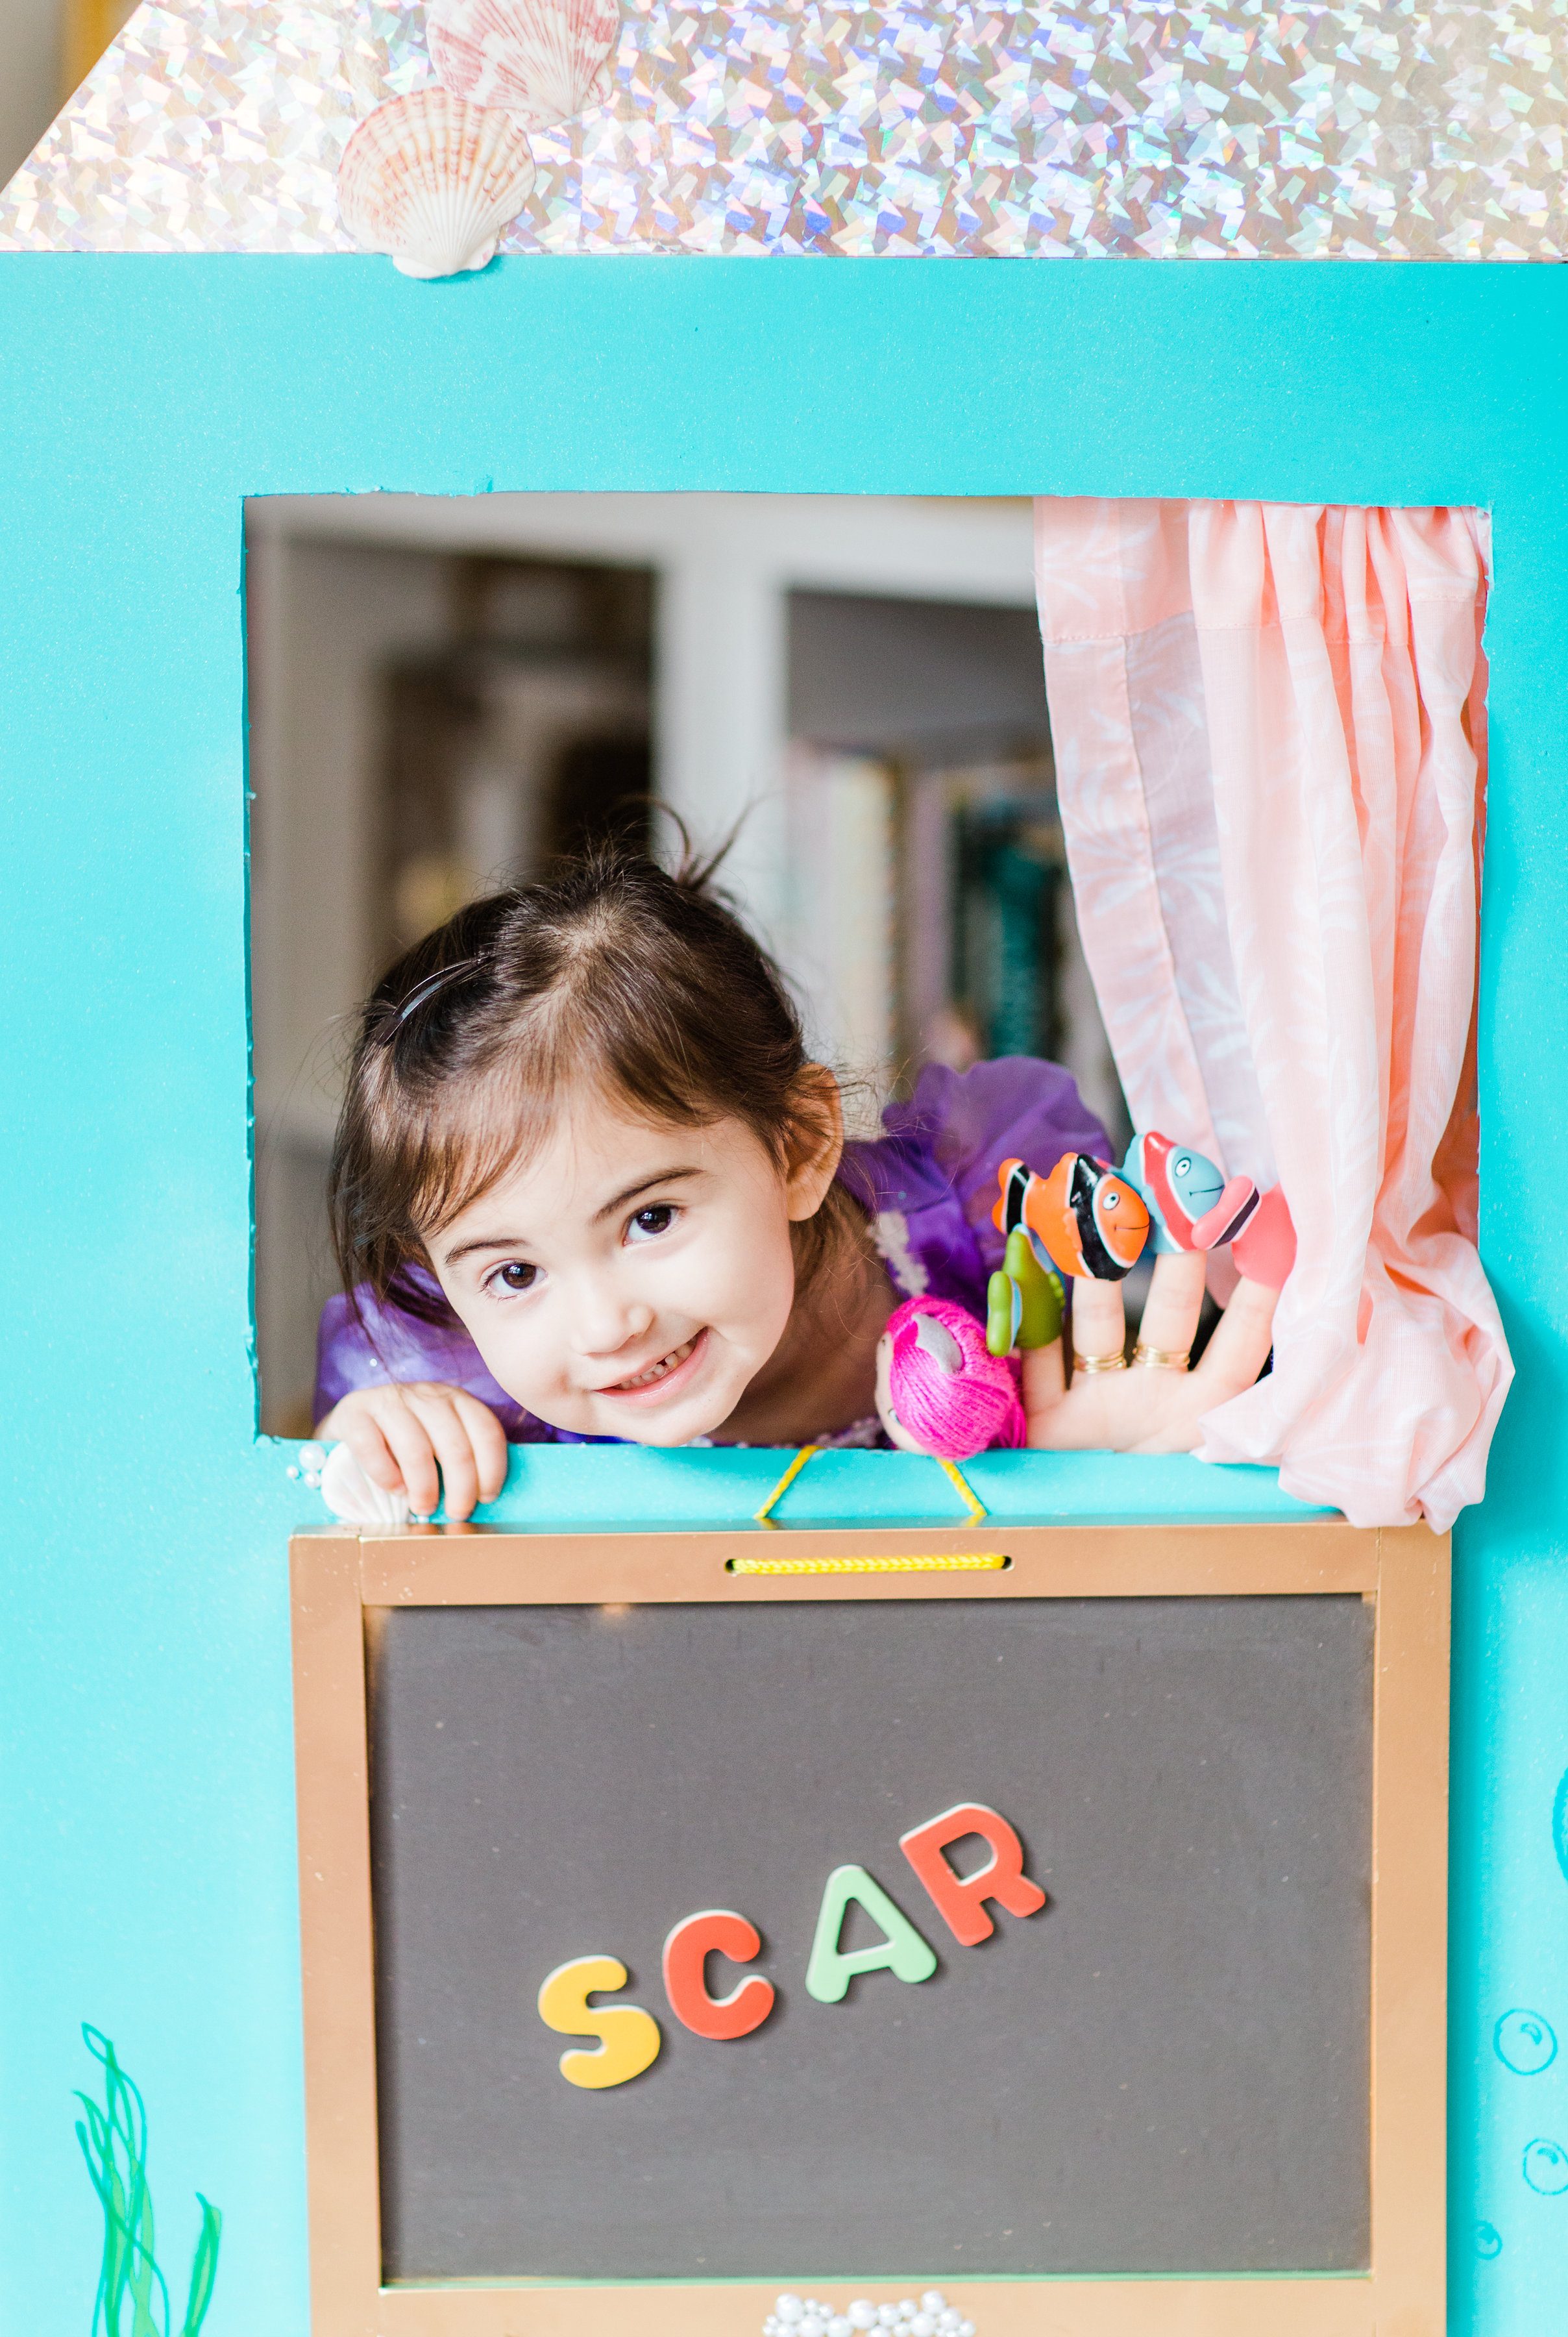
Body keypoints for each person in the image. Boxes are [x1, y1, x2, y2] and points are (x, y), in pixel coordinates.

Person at [315, 847, 1280, 1520]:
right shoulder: (465, 1379)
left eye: (650, 1218)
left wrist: (1095, 1485)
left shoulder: (984, 1236)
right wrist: (378, 1446)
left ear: (801, 1145)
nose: (606, 1327)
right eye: (514, 1275)